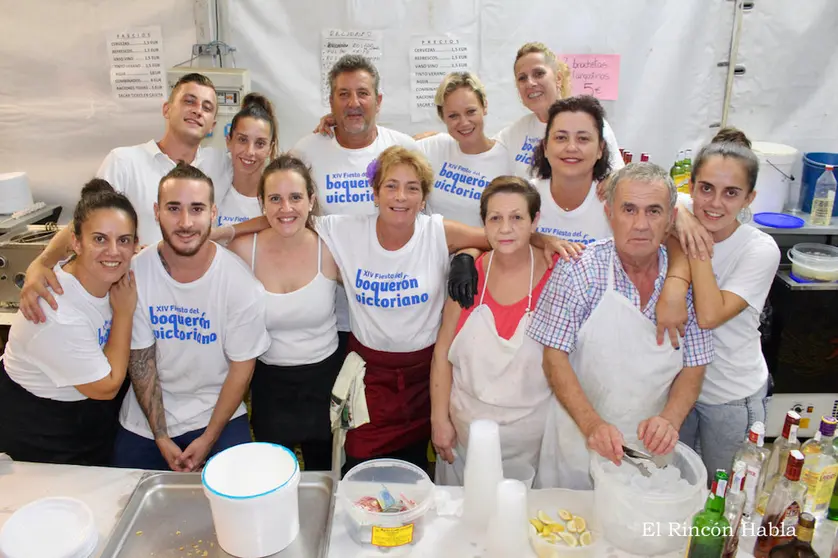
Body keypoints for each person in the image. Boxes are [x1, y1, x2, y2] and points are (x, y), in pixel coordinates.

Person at [311, 146, 581, 472]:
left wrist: (540, 241)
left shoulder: (438, 231)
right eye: (391, 186)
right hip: (371, 378)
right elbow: (287, 216)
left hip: (424, 378)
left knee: (417, 469)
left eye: (412, 188)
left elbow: (502, 233)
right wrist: (231, 232)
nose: (401, 196)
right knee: (361, 466)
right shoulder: (347, 230)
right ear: (375, 192)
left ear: (424, 198)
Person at [528, 162, 714, 490]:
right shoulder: (578, 272)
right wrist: (592, 425)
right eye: (629, 209)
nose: (640, 224)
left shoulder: (689, 284)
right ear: (609, 212)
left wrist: (670, 420)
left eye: (653, 211)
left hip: (649, 448)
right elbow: (553, 359)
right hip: (577, 440)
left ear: (671, 219)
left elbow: (695, 365)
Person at [19, 72, 230, 323]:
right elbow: (86, 220)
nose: (198, 111)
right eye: (189, 101)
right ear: (167, 109)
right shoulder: (125, 161)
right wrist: (42, 262)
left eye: (207, 107)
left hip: (190, 310)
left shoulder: (221, 165)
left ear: (212, 126)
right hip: (130, 306)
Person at [112, 163, 270, 471]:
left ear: (213, 214)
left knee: (235, 502)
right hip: (145, 420)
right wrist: (160, 437)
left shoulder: (240, 283)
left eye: (196, 209)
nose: (185, 222)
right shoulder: (134, 273)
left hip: (218, 415)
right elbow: (141, 362)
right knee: (122, 499)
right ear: (156, 212)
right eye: (174, 208)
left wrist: (209, 439)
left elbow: (241, 369)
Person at [660, 128, 780, 477]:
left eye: (731, 193)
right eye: (706, 188)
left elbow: (709, 314)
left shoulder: (759, 249)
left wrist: (695, 240)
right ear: (690, 186)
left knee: (724, 497)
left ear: (749, 198)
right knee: (676, 483)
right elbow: (618, 180)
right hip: (680, 389)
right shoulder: (681, 208)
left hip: (730, 396)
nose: (714, 203)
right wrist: (680, 214)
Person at [0, 179, 137, 465]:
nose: (113, 251)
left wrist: (43, 260)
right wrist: (124, 313)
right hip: (43, 434)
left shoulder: (109, 272)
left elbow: (81, 228)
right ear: (76, 241)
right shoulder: (55, 313)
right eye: (99, 239)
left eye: (124, 239)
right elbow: (108, 386)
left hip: (89, 418)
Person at [431, 177, 554, 485]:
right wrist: (439, 420)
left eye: (517, 217)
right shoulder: (467, 277)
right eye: (495, 218)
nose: (505, 228)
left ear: (534, 220)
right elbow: (442, 355)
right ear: (483, 223)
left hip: (532, 446)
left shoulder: (556, 276)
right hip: (464, 440)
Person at [226, 155, 342, 471]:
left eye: (295, 197)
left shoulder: (330, 248)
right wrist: (225, 232)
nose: (286, 208)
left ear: (311, 200)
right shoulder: (242, 251)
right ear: (261, 203)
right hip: (269, 384)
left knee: (324, 475)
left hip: (324, 381)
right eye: (275, 199)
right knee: (272, 475)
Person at [496, 42, 623, 178]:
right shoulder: (515, 132)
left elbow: (619, 180)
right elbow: (482, 153)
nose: (530, 83)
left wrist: (609, 182)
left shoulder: (591, 124)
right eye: (522, 78)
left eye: (538, 74)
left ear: (558, 78)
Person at [416, 72, 511, 226]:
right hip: (433, 248)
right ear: (442, 117)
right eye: (453, 116)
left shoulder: (507, 158)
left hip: (483, 248)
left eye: (471, 112)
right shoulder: (434, 146)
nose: (464, 122)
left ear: (484, 106)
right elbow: (388, 152)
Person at [530, 96, 613, 245]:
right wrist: (537, 240)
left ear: (600, 149)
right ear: (545, 147)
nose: (571, 147)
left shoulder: (615, 201)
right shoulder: (524, 196)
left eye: (583, 139)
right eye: (561, 138)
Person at [216, 93, 279, 227]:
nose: (250, 151)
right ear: (229, 141)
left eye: (260, 143)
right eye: (242, 140)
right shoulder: (213, 190)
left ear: (270, 148)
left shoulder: (278, 202)